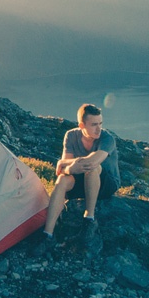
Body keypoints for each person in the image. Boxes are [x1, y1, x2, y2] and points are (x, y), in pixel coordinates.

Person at [35, 103, 120, 254]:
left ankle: (89, 218)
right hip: (81, 180)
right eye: (94, 125)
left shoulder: (107, 139)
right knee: (62, 181)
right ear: (82, 125)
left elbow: (91, 162)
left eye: (100, 123)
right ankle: (48, 234)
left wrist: (68, 165)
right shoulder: (71, 135)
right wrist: (68, 167)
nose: (99, 128)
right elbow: (64, 168)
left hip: (106, 184)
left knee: (92, 168)